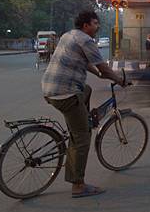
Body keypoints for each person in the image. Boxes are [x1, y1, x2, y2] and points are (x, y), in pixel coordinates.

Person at [42, 11, 127, 198]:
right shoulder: (86, 40)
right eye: (95, 23)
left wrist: (97, 74)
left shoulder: (69, 35)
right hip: (66, 94)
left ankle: (83, 121)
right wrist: (119, 80)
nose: (97, 26)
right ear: (86, 25)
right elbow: (103, 66)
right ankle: (78, 186)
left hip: (50, 89)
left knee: (86, 89)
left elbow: (86, 62)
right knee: (82, 138)